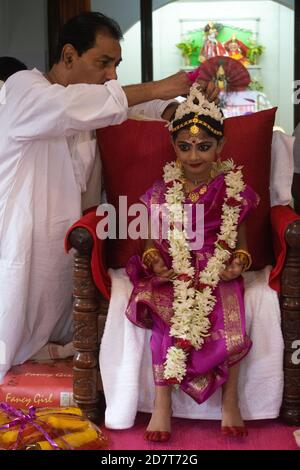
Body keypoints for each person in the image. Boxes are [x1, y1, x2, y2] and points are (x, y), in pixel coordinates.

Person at [0, 11, 222, 382]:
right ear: (68, 56)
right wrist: (159, 87)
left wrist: (176, 108)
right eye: (103, 63)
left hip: (62, 263)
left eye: (116, 65)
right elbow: (76, 106)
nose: (112, 76)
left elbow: (129, 108)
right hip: (16, 260)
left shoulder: (92, 108)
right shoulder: (24, 88)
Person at [125, 83, 258, 441]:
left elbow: (242, 247)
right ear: (173, 148)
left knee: (231, 317)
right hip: (175, 267)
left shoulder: (234, 191)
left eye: (203, 146)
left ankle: (230, 402)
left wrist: (237, 264)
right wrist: (155, 263)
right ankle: (162, 404)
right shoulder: (160, 191)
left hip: (217, 265)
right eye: (184, 147)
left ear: (220, 147)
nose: (194, 155)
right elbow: (150, 245)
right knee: (165, 313)